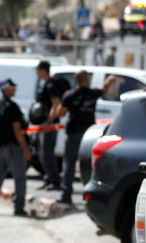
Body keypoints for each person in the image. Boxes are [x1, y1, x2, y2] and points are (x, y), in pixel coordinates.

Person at [49, 71, 116, 205]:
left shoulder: (69, 95)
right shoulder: (92, 93)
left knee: (69, 163)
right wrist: (109, 80)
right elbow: (103, 88)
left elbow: (60, 113)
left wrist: (56, 108)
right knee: (90, 164)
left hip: (73, 133)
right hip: (89, 135)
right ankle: (91, 196)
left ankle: (66, 195)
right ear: (86, 80)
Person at [0, 78, 31, 217]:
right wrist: (26, 149)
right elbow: (17, 130)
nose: (14, 90)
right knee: (20, 178)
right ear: (6, 89)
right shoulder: (12, 107)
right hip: (13, 148)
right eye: (12, 88)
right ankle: (19, 208)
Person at [35, 61, 66, 191]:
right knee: (43, 153)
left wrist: (49, 121)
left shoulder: (51, 85)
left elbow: (56, 104)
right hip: (45, 124)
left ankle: (54, 180)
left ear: (43, 70)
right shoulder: (47, 84)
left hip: (49, 125)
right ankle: (48, 178)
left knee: (47, 153)